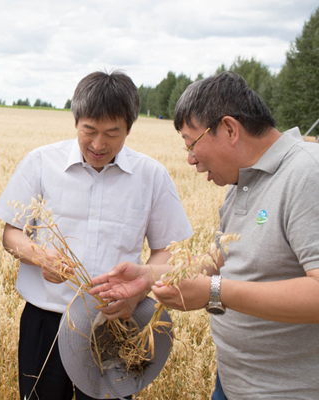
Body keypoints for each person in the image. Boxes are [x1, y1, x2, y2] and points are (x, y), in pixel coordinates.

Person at [89, 71, 319, 399]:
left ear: (229, 129)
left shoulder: (307, 175)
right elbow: (216, 262)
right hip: (234, 383)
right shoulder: (243, 185)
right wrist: (147, 275)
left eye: (192, 143)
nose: (191, 159)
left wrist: (214, 293)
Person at [0, 70, 193, 400]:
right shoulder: (41, 163)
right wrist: (38, 255)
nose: (98, 145)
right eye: (89, 131)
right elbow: (11, 233)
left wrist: (140, 287)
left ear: (129, 128)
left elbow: (167, 251)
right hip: (47, 325)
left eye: (112, 133)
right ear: (75, 122)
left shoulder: (151, 176)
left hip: (114, 326)